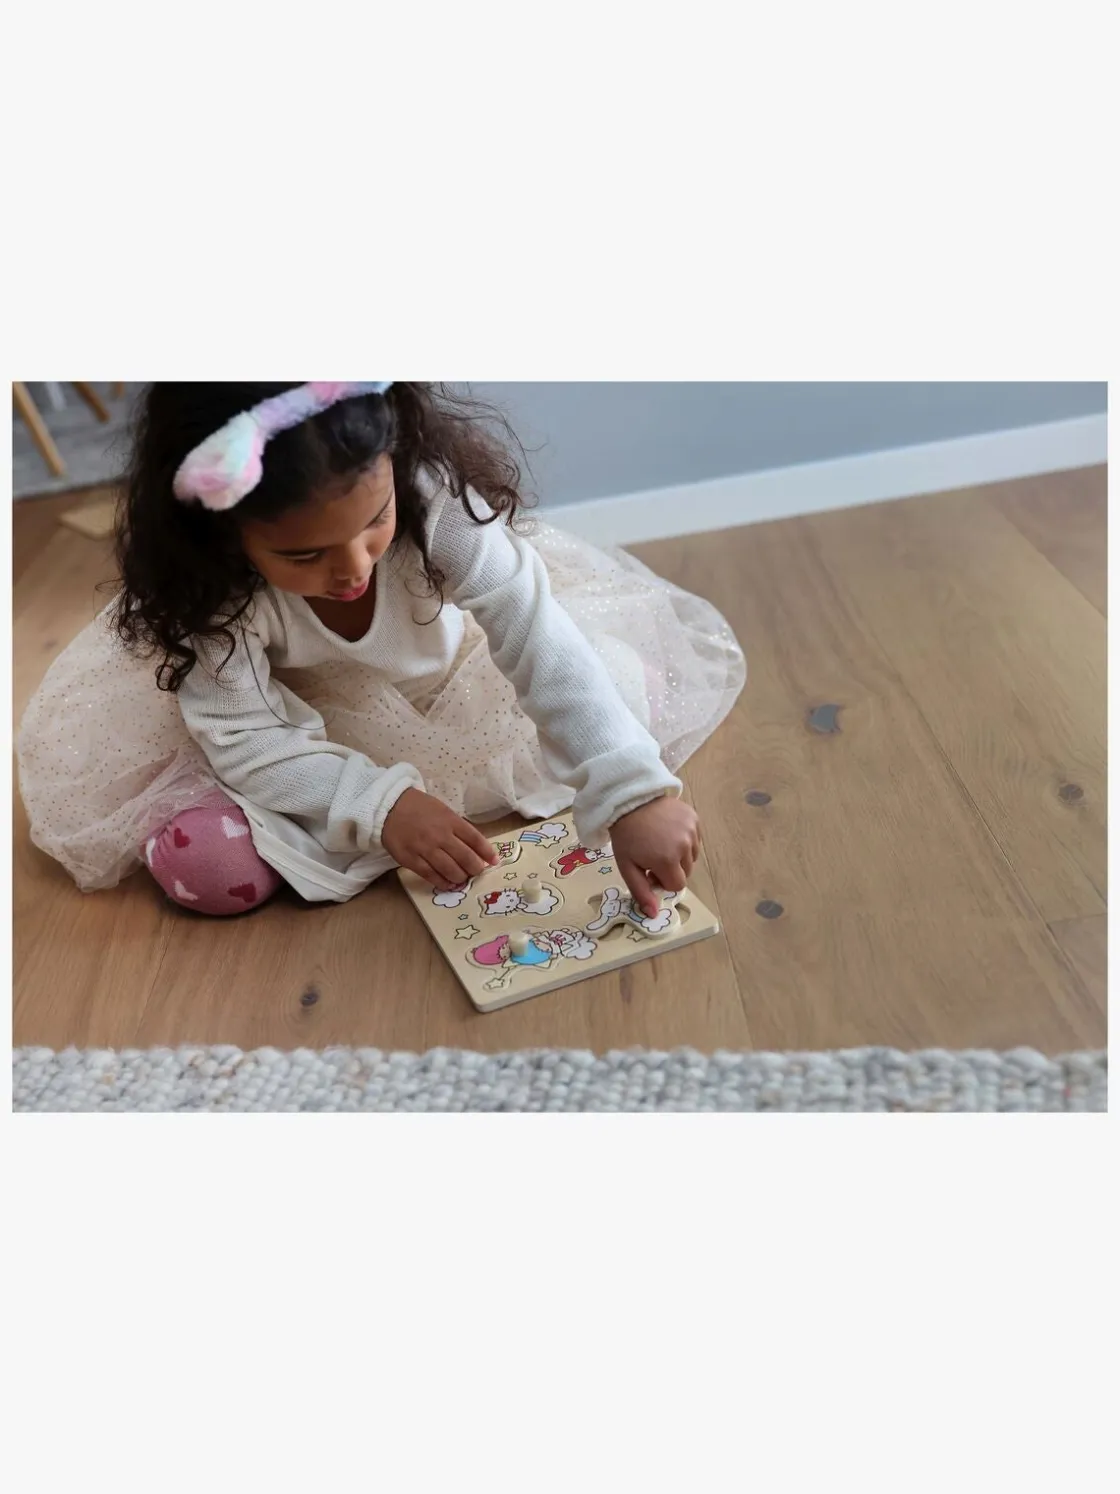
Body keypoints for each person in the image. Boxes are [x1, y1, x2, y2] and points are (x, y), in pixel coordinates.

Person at [18, 383, 745, 919]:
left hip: (451, 689)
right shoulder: (210, 592)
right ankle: (303, 833)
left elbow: (533, 632)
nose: (353, 568)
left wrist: (631, 790)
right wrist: (383, 805)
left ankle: (606, 740)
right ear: (222, 536)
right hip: (307, 734)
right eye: (303, 555)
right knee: (209, 864)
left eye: (375, 522)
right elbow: (246, 737)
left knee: (616, 688)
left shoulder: (439, 506)